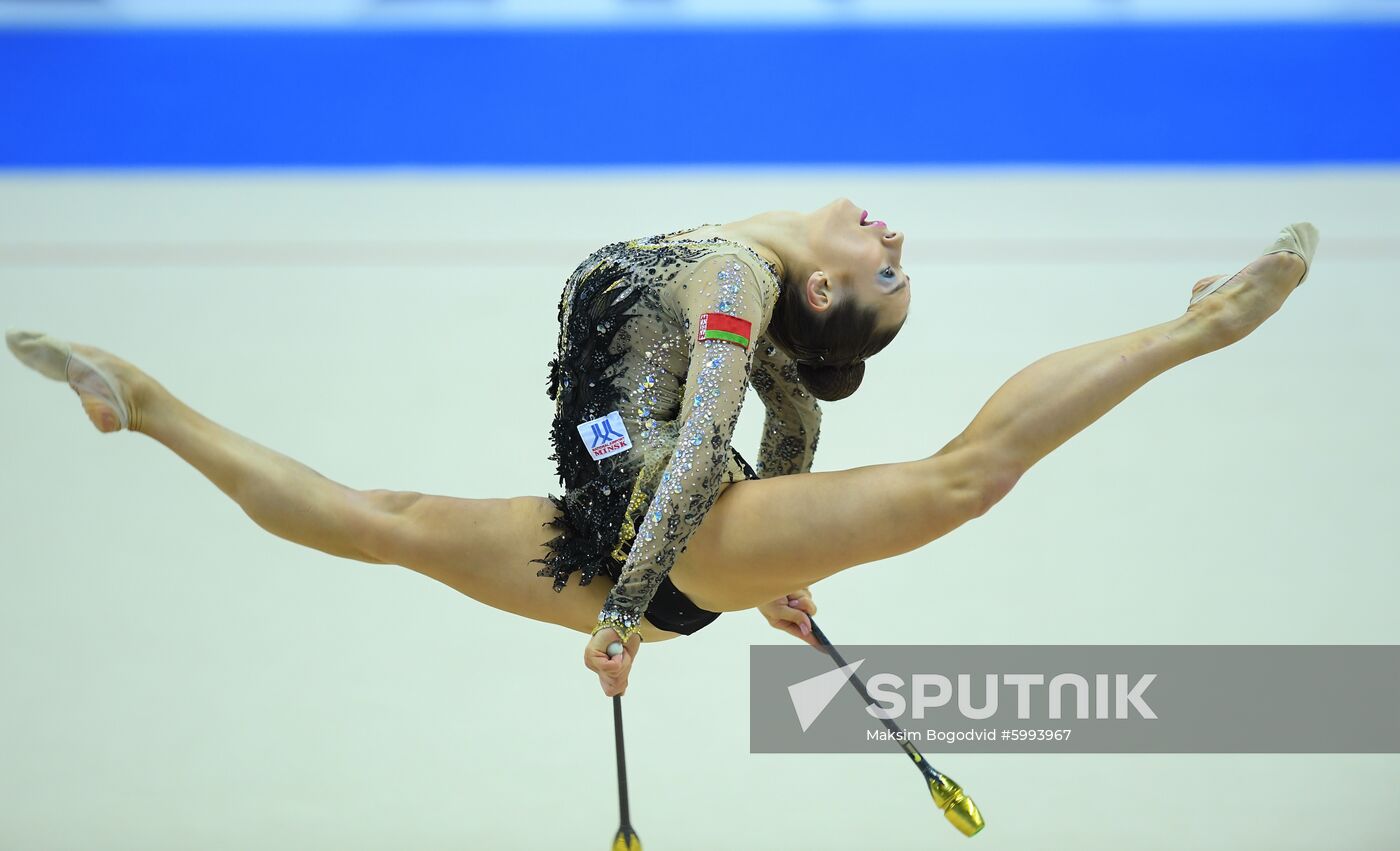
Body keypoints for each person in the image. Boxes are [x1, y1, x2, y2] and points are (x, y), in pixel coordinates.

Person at [5, 200, 1317, 699]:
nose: (891, 233)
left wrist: (630, 615)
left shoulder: (739, 279)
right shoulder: (744, 275)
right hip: (614, 522)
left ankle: (1205, 324)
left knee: (957, 482)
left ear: (816, 296)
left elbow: (701, 459)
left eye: (888, 267)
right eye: (901, 259)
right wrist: (761, 569)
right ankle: (144, 398)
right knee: (379, 516)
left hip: (659, 536)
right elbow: (779, 428)